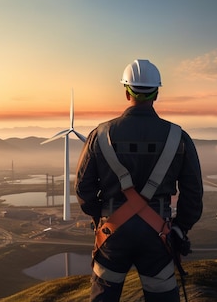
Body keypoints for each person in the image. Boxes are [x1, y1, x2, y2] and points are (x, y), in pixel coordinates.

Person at [75, 59, 204, 301]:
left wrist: (100, 217)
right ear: (156, 93)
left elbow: (83, 188)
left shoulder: (99, 135)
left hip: (112, 232)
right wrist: (180, 227)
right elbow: (193, 192)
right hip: (159, 235)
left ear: (126, 92)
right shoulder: (179, 137)